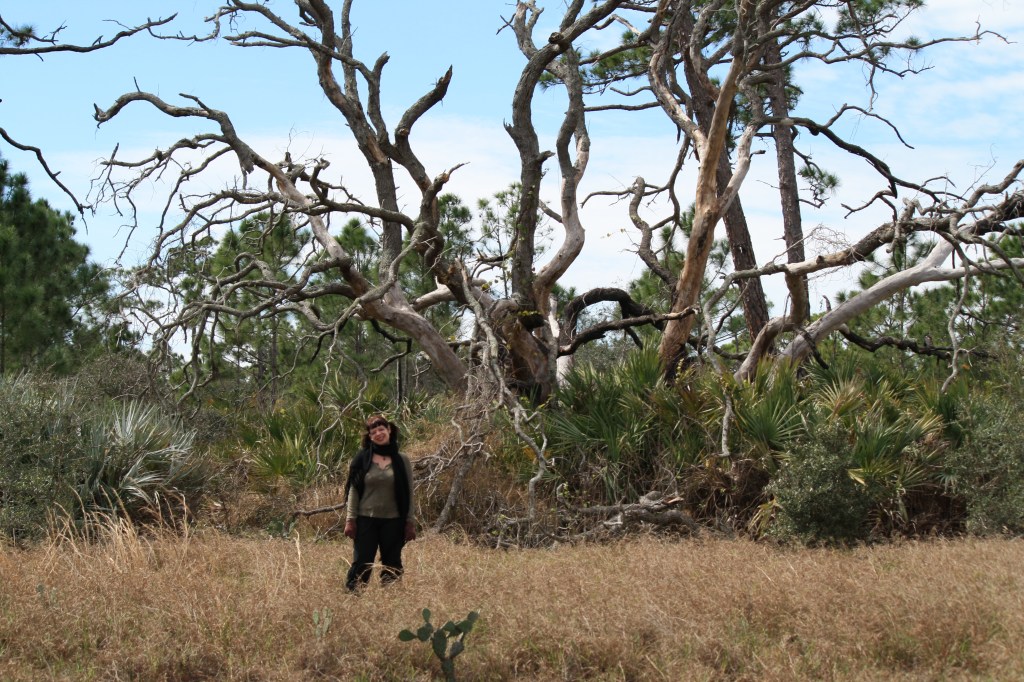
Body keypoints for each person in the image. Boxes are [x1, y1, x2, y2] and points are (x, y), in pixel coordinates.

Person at [343, 414, 416, 590]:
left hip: (394, 520)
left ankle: (391, 597)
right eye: (373, 432)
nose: (378, 434)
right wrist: (350, 519)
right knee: (362, 562)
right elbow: (354, 490)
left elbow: (409, 492)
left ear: (389, 430)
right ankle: (354, 596)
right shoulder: (362, 459)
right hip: (365, 519)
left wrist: (410, 521)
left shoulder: (402, 460)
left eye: (381, 429)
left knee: (392, 563)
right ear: (369, 437)